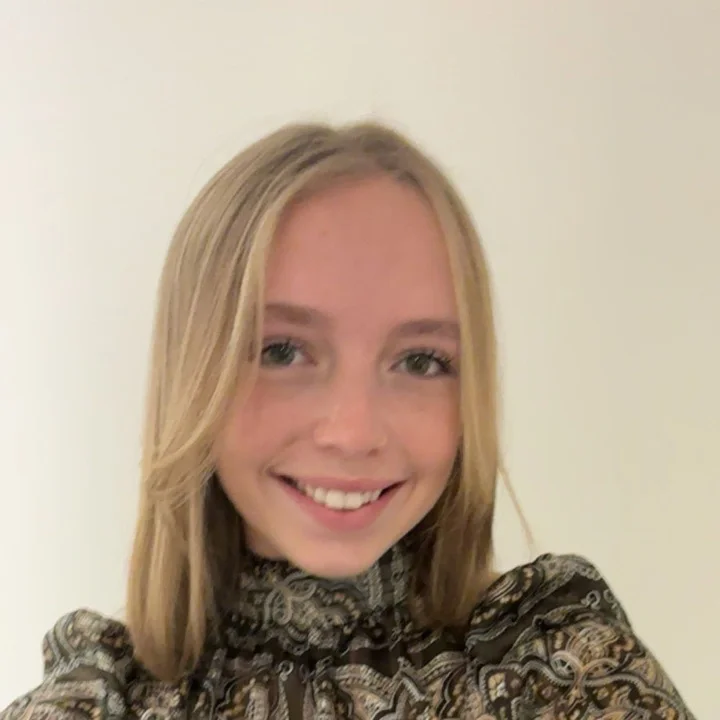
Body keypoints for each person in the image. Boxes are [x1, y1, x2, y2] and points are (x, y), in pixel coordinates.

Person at [1, 122, 695, 720]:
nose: (354, 431)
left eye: (421, 361)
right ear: (193, 372)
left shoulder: (567, 675)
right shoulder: (98, 702)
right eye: (281, 351)